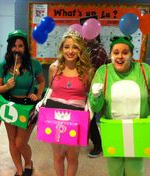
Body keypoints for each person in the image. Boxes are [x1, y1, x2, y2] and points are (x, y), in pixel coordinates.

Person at [89, 35, 150, 176]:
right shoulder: (103, 72)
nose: (120, 56)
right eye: (116, 52)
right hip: (114, 131)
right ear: (111, 54)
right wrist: (95, 96)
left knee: (135, 171)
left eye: (125, 52)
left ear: (131, 54)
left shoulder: (145, 70)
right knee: (115, 170)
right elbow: (96, 108)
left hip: (139, 130)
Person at [0, 29, 45, 176]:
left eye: (20, 46)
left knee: (20, 143)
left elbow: (42, 82)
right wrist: (6, 86)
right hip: (9, 105)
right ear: (10, 47)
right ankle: (18, 169)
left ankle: (28, 162)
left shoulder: (34, 64)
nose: (17, 49)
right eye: (14, 46)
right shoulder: (3, 65)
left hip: (27, 106)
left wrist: (38, 94)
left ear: (25, 48)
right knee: (12, 141)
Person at [46, 30, 93, 176]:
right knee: (58, 156)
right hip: (55, 116)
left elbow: (90, 96)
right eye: (67, 47)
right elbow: (50, 90)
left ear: (80, 50)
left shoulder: (88, 71)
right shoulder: (54, 68)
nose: (70, 51)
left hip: (77, 119)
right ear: (62, 49)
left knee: (72, 157)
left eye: (75, 47)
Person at [80, 15, 108, 158]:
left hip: (94, 91)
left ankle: (98, 145)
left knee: (90, 118)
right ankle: (85, 139)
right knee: (85, 117)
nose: (84, 36)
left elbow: (94, 74)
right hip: (84, 89)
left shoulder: (99, 51)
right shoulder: (87, 49)